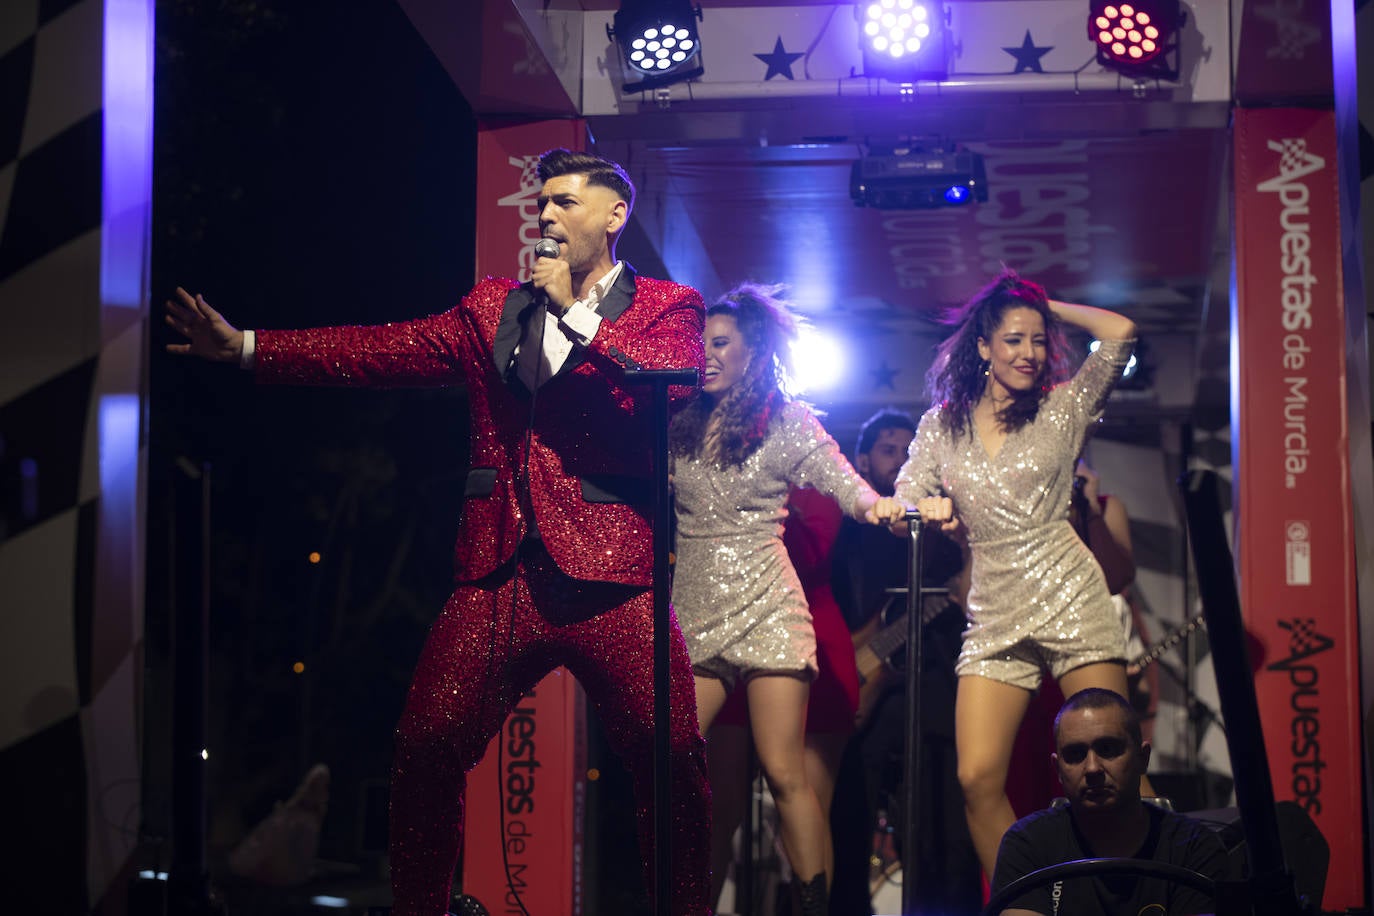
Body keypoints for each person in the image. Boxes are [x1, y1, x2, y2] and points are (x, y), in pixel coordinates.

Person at [164, 148, 714, 916]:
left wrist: (576, 314)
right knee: (425, 743)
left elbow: (672, 382)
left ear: (615, 215)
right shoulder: (495, 307)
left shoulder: (668, 304)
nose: (547, 217)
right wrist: (250, 348)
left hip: (614, 579)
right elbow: (379, 351)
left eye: (563, 202)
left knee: (673, 758)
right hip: (501, 574)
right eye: (541, 204)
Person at [667, 284, 904, 916]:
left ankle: (814, 907)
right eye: (700, 342)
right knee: (669, 755)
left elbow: (847, 485)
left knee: (783, 771)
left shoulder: (786, 420)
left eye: (720, 343)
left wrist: (878, 506)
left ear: (754, 352)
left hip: (770, 608)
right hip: (695, 610)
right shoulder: (676, 420)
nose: (705, 354)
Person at [895, 269, 1139, 879]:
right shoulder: (942, 424)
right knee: (976, 777)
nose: (1029, 353)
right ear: (982, 345)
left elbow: (1121, 332)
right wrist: (923, 507)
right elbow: (905, 498)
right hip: (995, 611)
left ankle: (1128, 891)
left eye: (1037, 340)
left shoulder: (1063, 407)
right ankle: (1026, 900)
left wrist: (1039, 304)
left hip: (1071, 595)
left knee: (1110, 769)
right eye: (1012, 339)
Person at [829, 408, 981, 916]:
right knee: (850, 815)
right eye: (887, 450)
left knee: (941, 820)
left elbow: (957, 591)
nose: (897, 461)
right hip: (861, 691)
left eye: (904, 451)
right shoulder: (848, 526)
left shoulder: (934, 524)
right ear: (863, 458)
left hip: (932, 685)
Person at [705, 484, 859, 913]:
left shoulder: (812, 465)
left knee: (803, 797)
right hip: (727, 632)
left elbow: (811, 553)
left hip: (808, 637)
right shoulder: (723, 458)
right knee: (718, 807)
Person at [990, 688, 1230, 915]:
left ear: (1142, 759)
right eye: (1075, 755)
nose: (1093, 768)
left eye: (1108, 749)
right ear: (1058, 770)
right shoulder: (1028, 844)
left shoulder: (1195, 848)